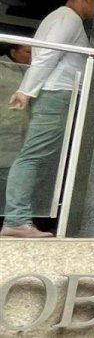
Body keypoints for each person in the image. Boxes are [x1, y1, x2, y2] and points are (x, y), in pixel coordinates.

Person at [2, 0, 94, 238]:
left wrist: (28, 89)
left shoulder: (58, 17)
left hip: (52, 94)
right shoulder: (69, 18)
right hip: (56, 95)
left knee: (41, 159)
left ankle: (22, 219)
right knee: (34, 156)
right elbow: (47, 55)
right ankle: (16, 219)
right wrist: (26, 90)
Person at [0, 40, 31, 217]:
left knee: (10, 179)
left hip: (20, 135)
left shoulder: (31, 74)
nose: (31, 57)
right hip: (5, 131)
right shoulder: (2, 69)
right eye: (27, 52)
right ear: (13, 52)